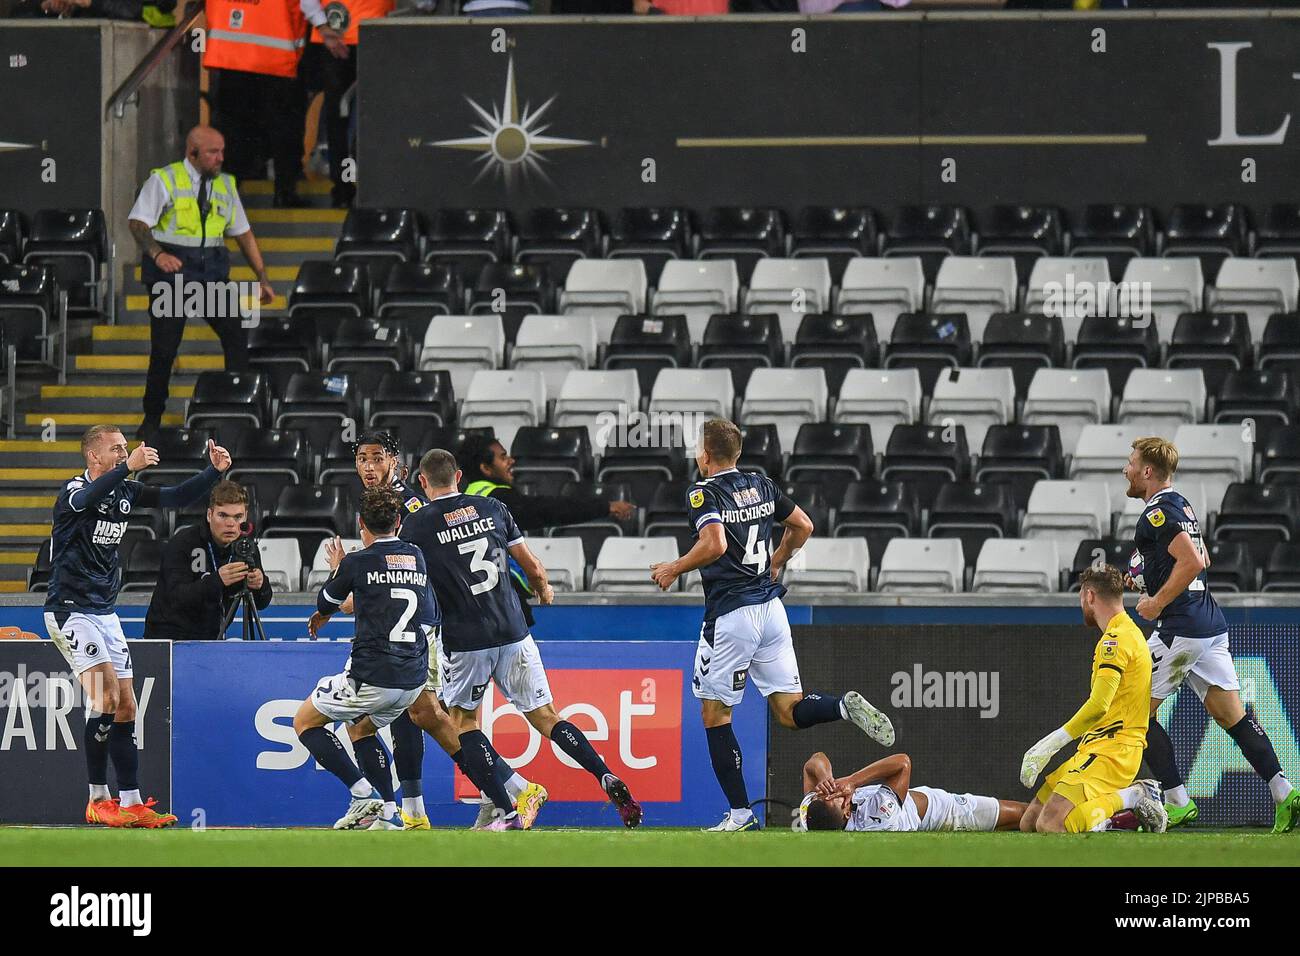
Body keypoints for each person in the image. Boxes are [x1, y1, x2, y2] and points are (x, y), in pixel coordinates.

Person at [650, 418, 894, 832]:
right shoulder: (761, 484)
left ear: (705, 455)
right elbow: (804, 525)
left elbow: (715, 543)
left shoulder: (702, 492)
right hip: (772, 612)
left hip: (733, 615)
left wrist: (674, 567)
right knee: (788, 709)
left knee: (715, 715)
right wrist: (777, 560)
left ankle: (741, 814)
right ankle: (841, 706)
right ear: (738, 453)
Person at [401, 447, 643, 829]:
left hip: (466, 637)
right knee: (548, 718)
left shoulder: (416, 525)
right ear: (459, 477)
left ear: (422, 481)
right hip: (513, 629)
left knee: (464, 722)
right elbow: (531, 564)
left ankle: (506, 810)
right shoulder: (492, 508)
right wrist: (543, 589)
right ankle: (604, 775)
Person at [339, 430, 539, 830]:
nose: (369, 466)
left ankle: (508, 788)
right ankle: (417, 809)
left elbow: (418, 569)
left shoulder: (412, 506)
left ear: (396, 461)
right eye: (362, 458)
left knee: (422, 711)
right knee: (416, 714)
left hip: (420, 627)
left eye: (378, 458)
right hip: (400, 625)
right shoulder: (377, 502)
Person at [44, 426, 230, 828]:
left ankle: (130, 801)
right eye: (116, 449)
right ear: (94, 457)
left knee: (127, 705)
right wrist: (127, 467)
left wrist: (211, 473)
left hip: (105, 612)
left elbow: (173, 498)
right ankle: (97, 798)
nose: (125, 453)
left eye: (125, 448)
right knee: (106, 699)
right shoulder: (74, 492)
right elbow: (90, 497)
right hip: (69, 609)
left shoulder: (124, 492)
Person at [1123, 436, 1298, 833]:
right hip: (1209, 626)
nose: (1126, 470)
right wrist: (1154, 578)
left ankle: (1177, 801)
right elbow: (1203, 557)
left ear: (1147, 471)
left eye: (1131, 462)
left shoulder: (1156, 514)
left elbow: (1189, 561)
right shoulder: (1181, 504)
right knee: (1232, 717)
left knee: (1132, 710)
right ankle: (1284, 792)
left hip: (1181, 628)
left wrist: (1155, 602)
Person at [127, 125, 276, 440]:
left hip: (211, 273)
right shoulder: (164, 179)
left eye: (222, 151)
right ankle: (152, 416)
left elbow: (242, 232)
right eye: (213, 152)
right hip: (173, 274)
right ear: (192, 152)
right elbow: (138, 223)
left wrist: (261, 276)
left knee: (235, 336)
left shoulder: (224, 184)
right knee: (165, 349)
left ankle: (237, 407)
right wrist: (157, 255)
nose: (220, 158)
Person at [302, 487, 435, 829]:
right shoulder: (417, 556)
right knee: (359, 728)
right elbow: (429, 614)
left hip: (373, 675)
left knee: (304, 722)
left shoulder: (357, 561)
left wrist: (338, 567)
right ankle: (390, 814)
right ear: (399, 522)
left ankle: (363, 794)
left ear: (360, 523)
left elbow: (325, 604)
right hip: (412, 680)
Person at [1019, 565, 1167, 834]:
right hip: (1095, 747)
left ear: (1089, 596)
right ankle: (1125, 801)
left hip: (1114, 751)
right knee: (1029, 822)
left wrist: (1049, 745)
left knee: (1051, 824)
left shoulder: (1116, 639)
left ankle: (1133, 796)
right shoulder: (1126, 633)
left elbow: (1099, 705)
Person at [459, 434, 634, 628]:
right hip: (500, 601)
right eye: (503, 457)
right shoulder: (499, 500)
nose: (511, 460)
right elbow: (549, 510)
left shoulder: (462, 499)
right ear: (486, 468)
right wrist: (604, 507)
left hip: (467, 600)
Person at [203, 0, 320, 207]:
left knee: (233, 130)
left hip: (231, 55)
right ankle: (284, 191)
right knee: (285, 130)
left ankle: (223, 197)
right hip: (277, 59)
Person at [142, 480, 272, 641]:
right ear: (210, 515)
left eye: (238, 517)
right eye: (223, 515)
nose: (231, 524)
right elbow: (175, 598)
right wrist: (217, 580)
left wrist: (260, 584)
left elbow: (262, 603)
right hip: (169, 637)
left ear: (245, 517)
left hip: (212, 637)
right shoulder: (184, 542)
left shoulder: (245, 547)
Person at [299, 0, 392, 208]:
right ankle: (352, 186)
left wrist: (323, 26)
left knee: (343, 117)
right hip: (367, 33)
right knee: (364, 114)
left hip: (345, 33)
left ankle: (345, 189)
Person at [798, 751, 1027, 833]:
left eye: (826, 794)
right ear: (847, 812)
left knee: (1024, 821)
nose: (835, 793)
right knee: (1024, 816)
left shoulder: (812, 814)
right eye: (837, 798)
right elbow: (902, 763)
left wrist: (826, 780)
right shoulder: (876, 819)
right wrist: (852, 782)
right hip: (941, 813)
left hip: (910, 800)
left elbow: (814, 762)